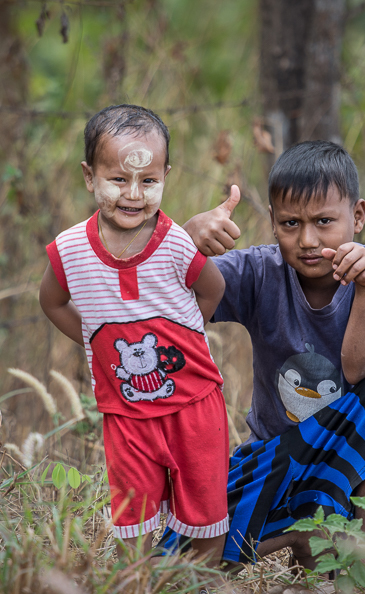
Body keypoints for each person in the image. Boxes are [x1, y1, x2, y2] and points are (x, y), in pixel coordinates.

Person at [162, 140, 365, 570]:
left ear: (357, 216)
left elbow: (362, 371)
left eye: (324, 221)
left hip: (344, 465)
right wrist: (183, 243)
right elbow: (163, 305)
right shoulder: (258, 271)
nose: (307, 239)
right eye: (290, 223)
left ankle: (358, 562)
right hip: (274, 459)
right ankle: (302, 530)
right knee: (178, 564)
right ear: (272, 222)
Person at [38, 104, 230, 566]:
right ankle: (140, 593)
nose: (134, 194)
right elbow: (51, 301)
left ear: (166, 175)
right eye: (118, 180)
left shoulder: (176, 243)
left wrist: (182, 333)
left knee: (205, 512)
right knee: (134, 518)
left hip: (193, 405)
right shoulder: (70, 251)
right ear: (89, 177)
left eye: (148, 182)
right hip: (125, 413)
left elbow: (213, 288)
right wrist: (94, 339)